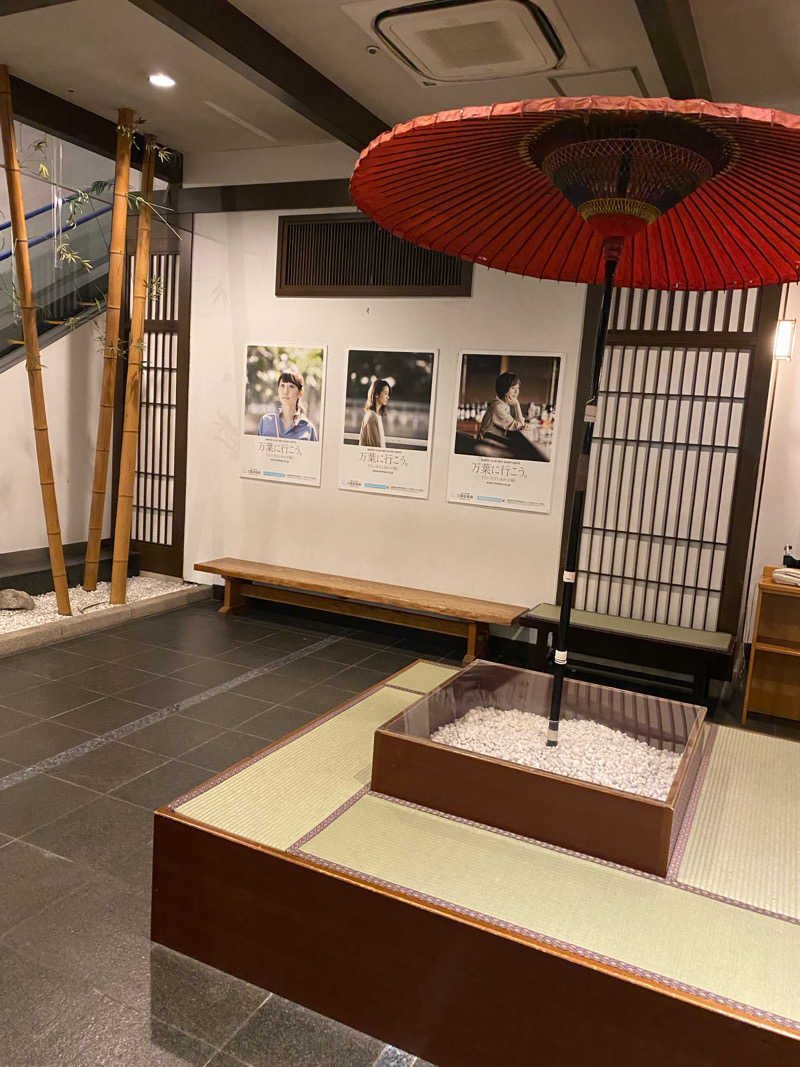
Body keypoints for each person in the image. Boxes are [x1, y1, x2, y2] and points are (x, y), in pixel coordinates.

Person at [257, 369, 318, 441]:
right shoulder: (266, 421)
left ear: (300, 393)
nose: (285, 392)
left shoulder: (308, 429)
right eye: (282, 386)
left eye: (291, 386)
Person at [478, 371, 525, 443]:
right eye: (513, 388)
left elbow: (520, 425)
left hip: (493, 442)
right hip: (487, 445)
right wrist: (517, 405)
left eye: (518, 388)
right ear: (504, 389)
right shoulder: (498, 407)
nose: (516, 391)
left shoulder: (502, 404)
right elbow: (520, 426)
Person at [359, 378, 391, 447]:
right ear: (376, 394)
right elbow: (376, 448)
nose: (388, 397)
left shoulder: (376, 415)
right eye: (385, 393)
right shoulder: (372, 416)